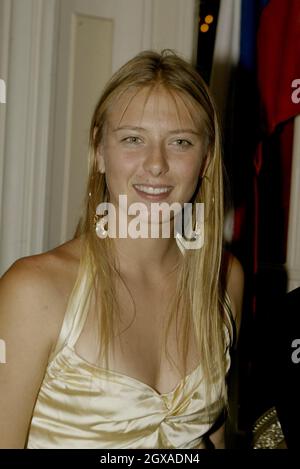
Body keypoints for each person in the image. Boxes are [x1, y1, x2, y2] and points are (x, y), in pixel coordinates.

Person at [0, 50, 244, 449]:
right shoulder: (32, 291)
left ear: (205, 159)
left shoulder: (223, 278)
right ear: (99, 150)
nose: (156, 164)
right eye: (133, 139)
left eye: (180, 142)